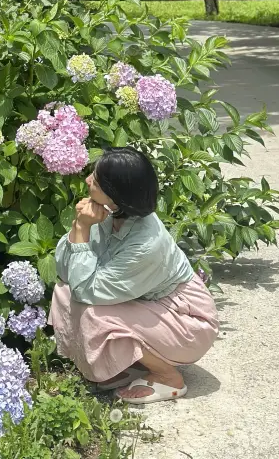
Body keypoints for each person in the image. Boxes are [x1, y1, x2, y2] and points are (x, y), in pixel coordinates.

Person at [48, 147, 219, 404]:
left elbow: (86, 291)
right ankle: (126, 366)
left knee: (93, 312)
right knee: (64, 291)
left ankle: (168, 377)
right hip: (150, 307)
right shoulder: (109, 215)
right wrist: (78, 226)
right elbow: (65, 271)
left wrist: (82, 228)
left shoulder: (147, 244)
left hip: (188, 321)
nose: (87, 180)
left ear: (115, 194)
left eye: (94, 179)